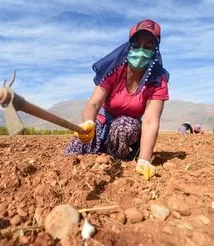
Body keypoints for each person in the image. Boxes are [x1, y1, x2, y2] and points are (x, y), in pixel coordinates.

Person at [64, 19, 169, 181]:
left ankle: (119, 159)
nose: (141, 51)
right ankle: (100, 151)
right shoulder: (114, 70)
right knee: (73, 153)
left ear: (155, 50)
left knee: (124, 126)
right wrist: (88, 123)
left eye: (148, 46)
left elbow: (150, 120)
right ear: (129, 46)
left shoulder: (157, 80)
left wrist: (145, 160)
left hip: (126, 130)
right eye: (136, 45)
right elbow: (94, 104)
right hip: (103, 124)